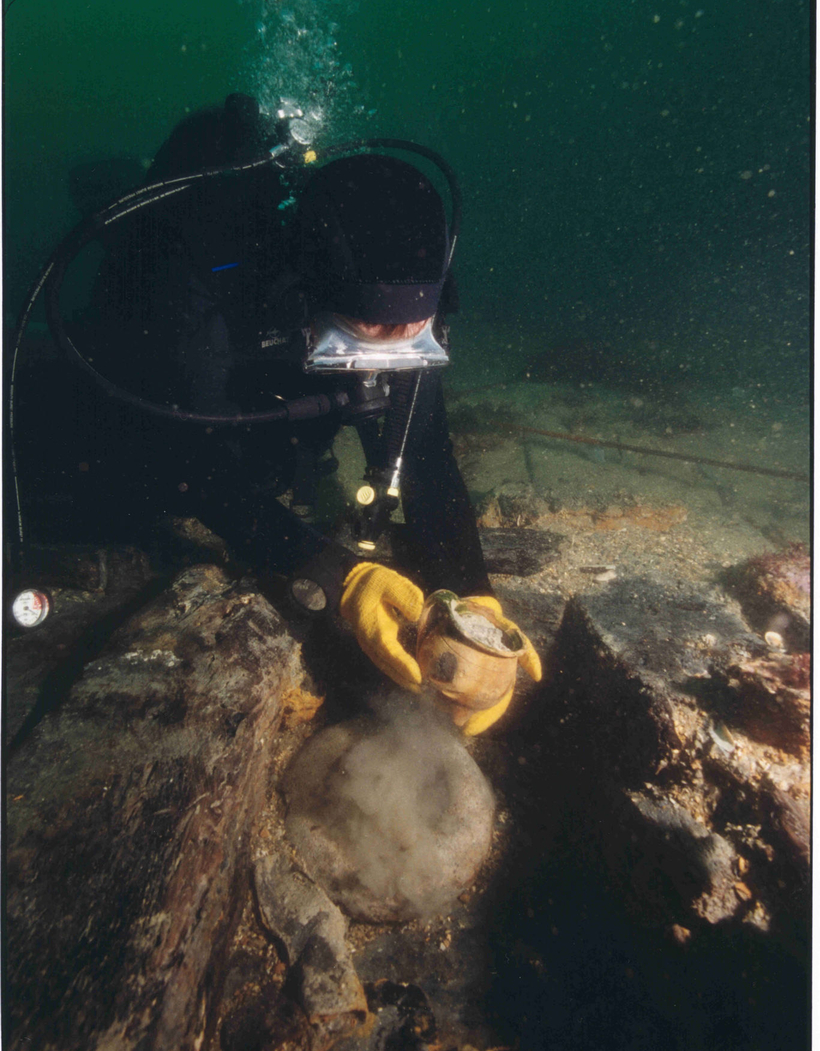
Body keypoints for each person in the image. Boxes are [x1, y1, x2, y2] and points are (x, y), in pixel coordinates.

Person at [60, 93, 542, 733]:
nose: (390, 353)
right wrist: (343, 576)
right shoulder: (199, 300)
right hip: (170, 354)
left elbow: (427, 460)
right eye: (371, 327)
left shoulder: (407, 323)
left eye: (413, 329)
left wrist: (473, 591)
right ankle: (119, 186)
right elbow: (194, 466)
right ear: (311, 295)